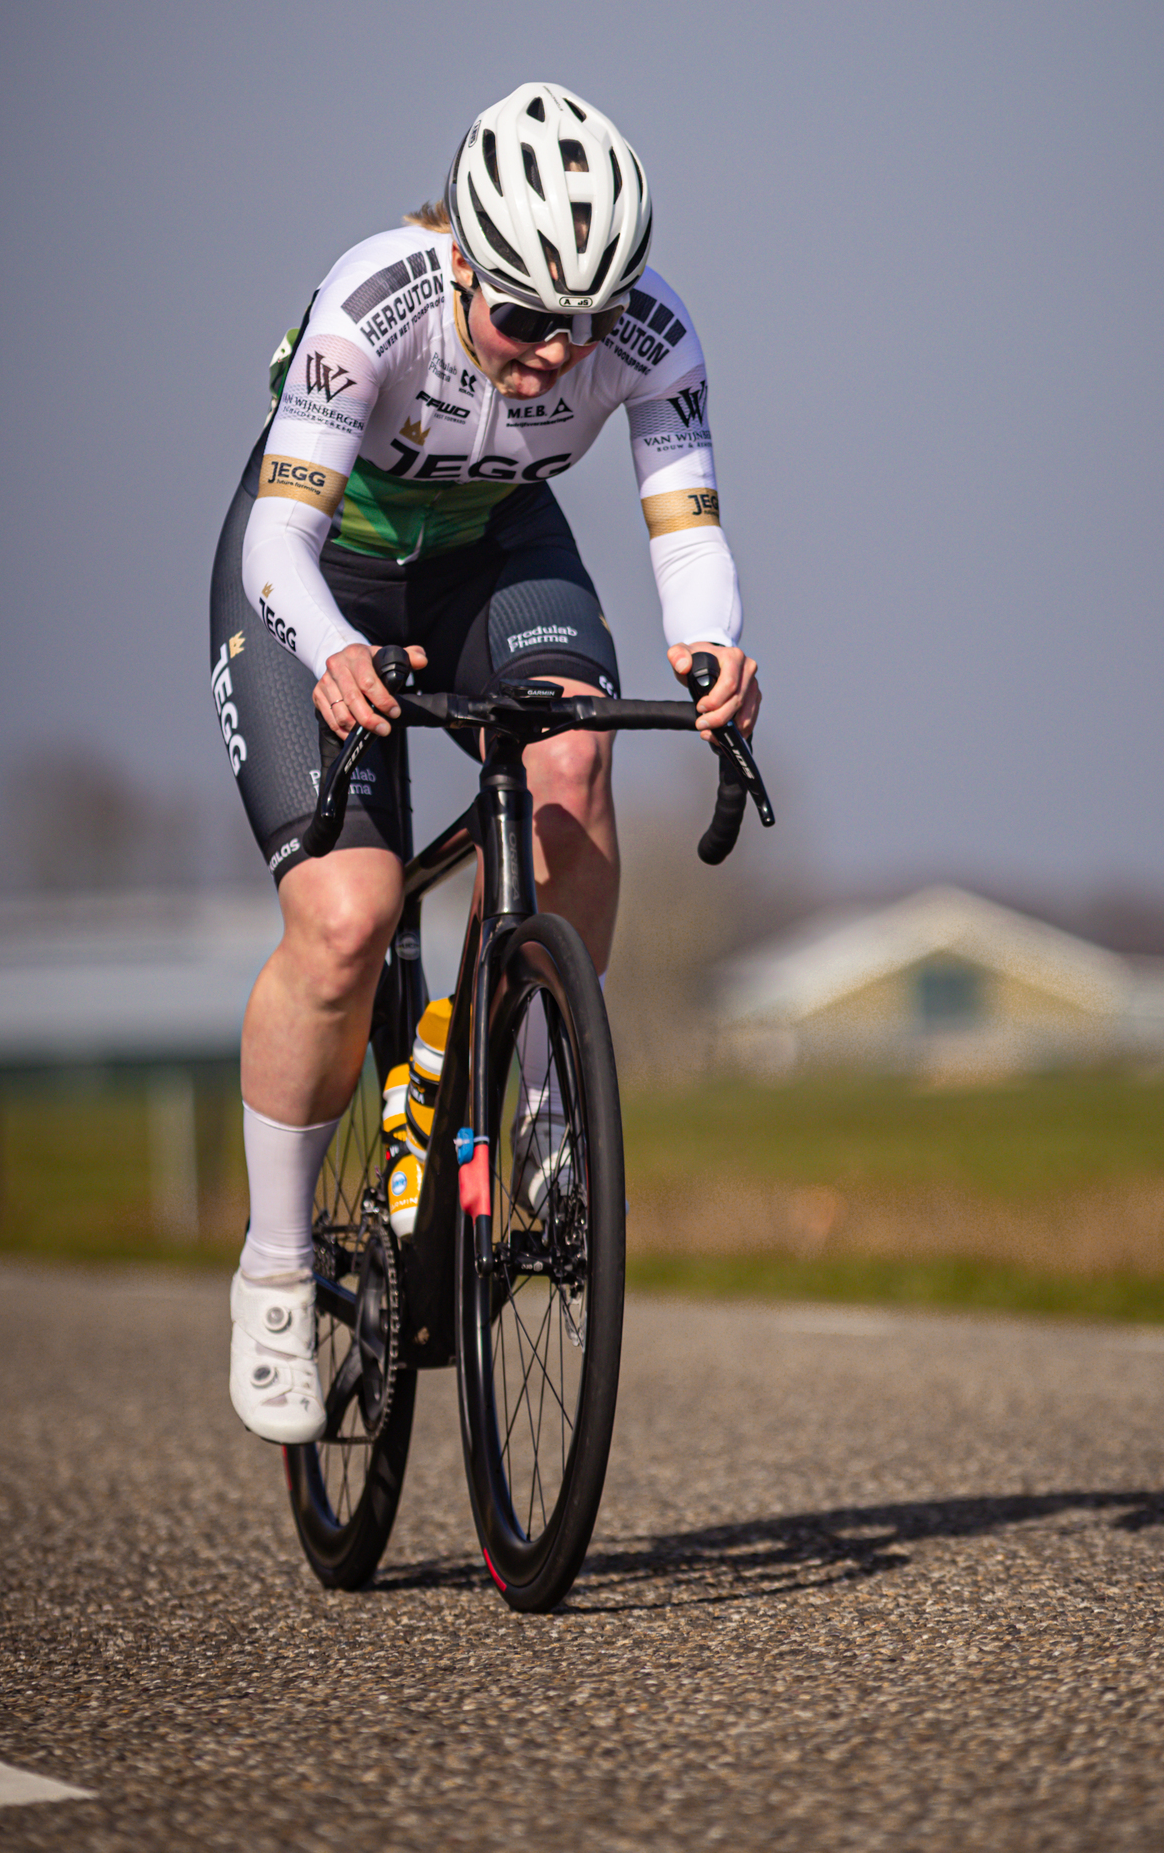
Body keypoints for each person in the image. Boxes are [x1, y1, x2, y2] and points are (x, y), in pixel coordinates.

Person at [207, 82, 761, 1440]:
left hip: (493, 551)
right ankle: (276, 1267)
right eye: (522, 320)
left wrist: (715, 651)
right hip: (319, 571)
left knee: (574, 748)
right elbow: (278, 544)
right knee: (348, 921)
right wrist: (334, 652)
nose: (552, 358)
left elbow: (685, 530)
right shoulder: (374, 302)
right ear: (462, 260)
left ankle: (548, 1098)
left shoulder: (654, 331)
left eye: (582, 327)